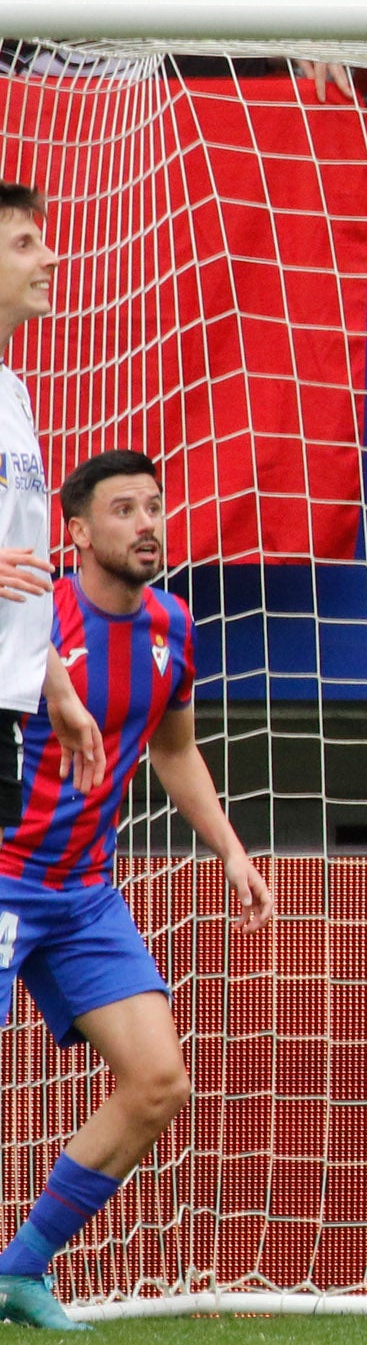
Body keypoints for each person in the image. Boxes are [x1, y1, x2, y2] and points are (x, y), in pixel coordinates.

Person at [0, 448, 273, 1336]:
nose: (147, 523)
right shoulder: (28, 613)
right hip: (4, 873)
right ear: (74, 532)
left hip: (82, 892)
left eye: (153, 507)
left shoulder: (172, 625)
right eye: (124, 510)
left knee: (158, 1083)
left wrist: (230, 850)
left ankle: (19, 1271)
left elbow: (174, 748)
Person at [0, 192, 102, 886]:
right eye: (24, 245)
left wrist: (57, 687)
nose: (52, 256)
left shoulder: (13, 393)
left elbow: (26, 570)